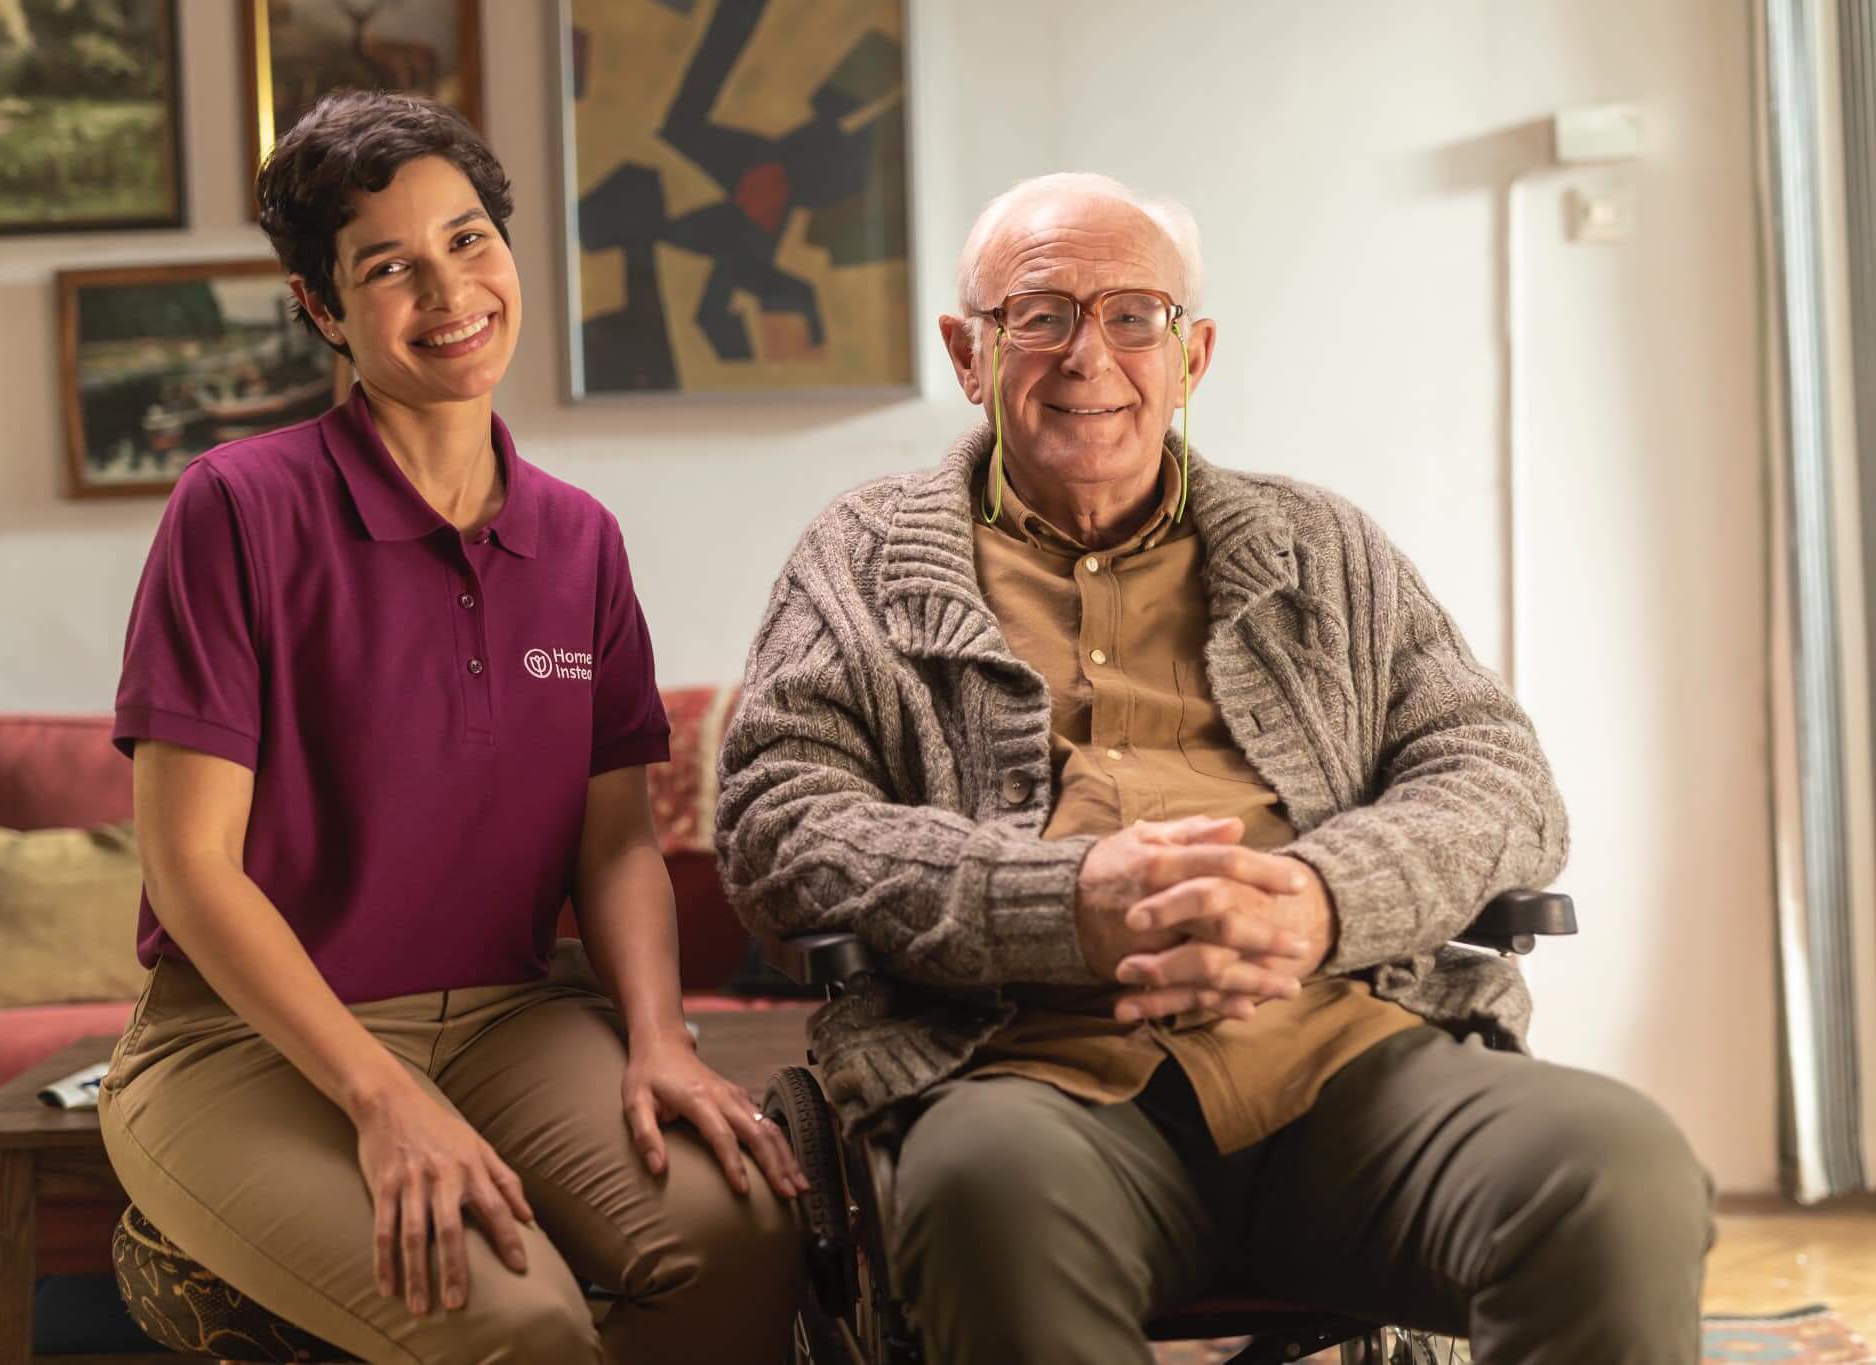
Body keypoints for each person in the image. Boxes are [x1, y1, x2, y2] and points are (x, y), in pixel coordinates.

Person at [716, 171, 1713, 1364]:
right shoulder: (857, 561)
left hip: (1341, 1056)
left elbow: (1495, 776)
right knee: (981, 1191)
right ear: (967, 354)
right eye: (1039, 315)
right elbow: (777, 822)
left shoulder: (1324, 548)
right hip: (1025, 1077)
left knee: (1613, 1167)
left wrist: (1321, 897)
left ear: (1190, 355)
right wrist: (1056, 906)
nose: (1088, 355)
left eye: (1132, 315)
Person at [102, 90, 801, 1365]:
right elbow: (190, 867)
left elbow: (614, 842)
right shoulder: (237, 509)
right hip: (244, 1043)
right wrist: (382, 1096)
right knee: (516, 1322)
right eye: (388, 268)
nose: (449, 291)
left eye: (468, 239)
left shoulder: (579, 538)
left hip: (510, 1018)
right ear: (322, 308)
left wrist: (660, 1039)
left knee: (742, 1232)